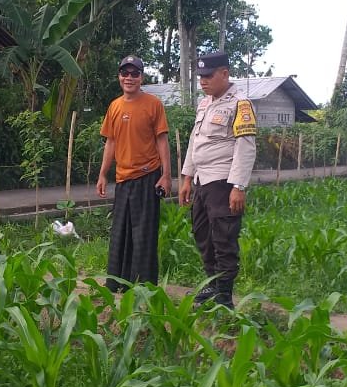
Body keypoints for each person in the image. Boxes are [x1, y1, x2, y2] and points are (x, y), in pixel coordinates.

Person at [178, 51, 257, 309]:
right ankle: (212, 283)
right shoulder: (204, 103)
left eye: (208, 76)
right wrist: (187, 177)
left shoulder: (240, 104)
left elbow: (246, 147)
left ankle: (224, 295)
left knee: (224, 237)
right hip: (202, 180)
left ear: (224, 73)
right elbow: (195, 141)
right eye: (200, 76)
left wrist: (238, 186)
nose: (203, 81)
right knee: (202, 233)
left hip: (223, 181)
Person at [96, 55, 173, 292]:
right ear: (119, 76)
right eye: (125, 73)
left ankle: (144, 287)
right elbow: (110, 142)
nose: (129, 78)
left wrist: (166, 175)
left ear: (141, 77)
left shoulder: (153, 104)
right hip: (122, 179)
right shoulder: (114, 106)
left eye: (134, 73)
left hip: (148, 177)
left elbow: (162, 140)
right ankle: (117, 283)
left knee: (144, 235)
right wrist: (103, 174)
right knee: (120, 232)